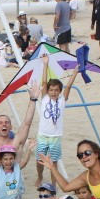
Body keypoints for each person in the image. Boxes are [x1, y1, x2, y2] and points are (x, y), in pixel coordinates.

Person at [35, 56, 79, 185]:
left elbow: (69, 87)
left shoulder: (62, 100)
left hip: (55, 136)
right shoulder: (44, 98)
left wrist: (75, 73)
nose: (53, 92)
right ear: (47, 91)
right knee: (40, 159)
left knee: (53, 161)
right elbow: (44, 82)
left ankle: (54, 182)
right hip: (43, 134)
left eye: (56, 90)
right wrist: (45, 64)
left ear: (59, 91)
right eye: (51, 90)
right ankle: (40, 177)